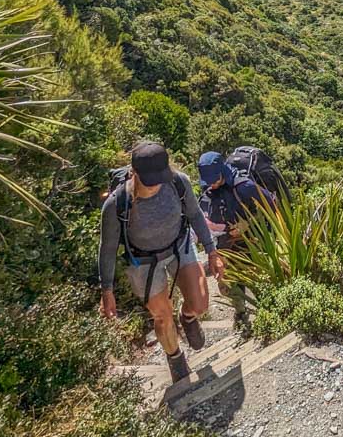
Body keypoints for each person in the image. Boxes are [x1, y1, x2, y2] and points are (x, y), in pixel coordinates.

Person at [98, 141, 225, 384]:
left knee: (200, 303)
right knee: (161, 316)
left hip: (179, 246)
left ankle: (187, 317)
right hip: (142, 261)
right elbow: (108, 248)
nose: (157, 183)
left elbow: (195, 214)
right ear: (134, 173)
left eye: (160, 176)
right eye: (150, 179)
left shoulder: (178, 182)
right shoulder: (116, 204)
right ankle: (175, 356)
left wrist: (211, 251)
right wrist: (107, 290)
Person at [196, 150, 275, 324]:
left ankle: (268, 313)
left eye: (214, 181)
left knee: (256, 277)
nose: (211, 185)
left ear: (222, 172)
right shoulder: (208, 187)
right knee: (228, 281)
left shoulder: (244, 186)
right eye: (208, 182)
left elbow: (271, 204)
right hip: (225, 241)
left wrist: (248, 223)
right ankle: (241, 313)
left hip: (252, 240)